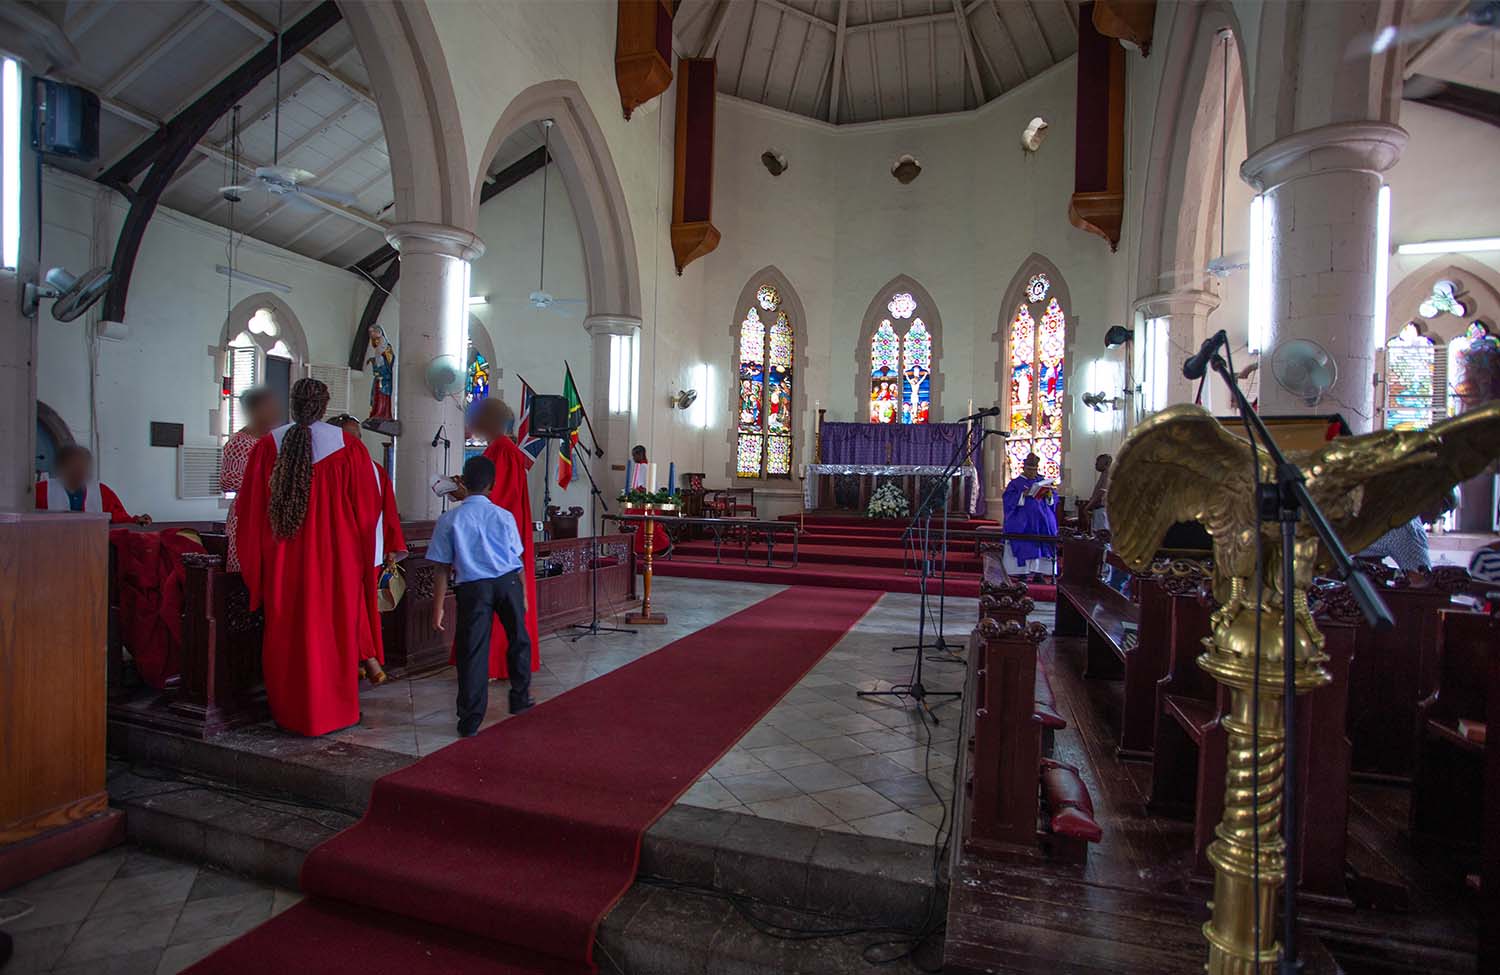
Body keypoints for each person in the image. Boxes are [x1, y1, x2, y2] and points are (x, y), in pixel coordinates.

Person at [235, 379, 380, 736]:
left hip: (285, 562)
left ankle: (292, 713)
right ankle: (335, 711)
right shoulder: (348, 448)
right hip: (337, 564)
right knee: (333, 636)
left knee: (289, 637)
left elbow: (249, 514)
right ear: (324, 405)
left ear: (293, 403)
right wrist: (366, 562)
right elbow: (367, 512)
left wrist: (257, 568)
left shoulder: (269, 445)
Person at [428, 455, 533, 735]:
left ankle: (470, 719)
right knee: (519, 639)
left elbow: (441, 568)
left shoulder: (449, 519)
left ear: (463, 481)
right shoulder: (504, 516)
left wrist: (437, 607)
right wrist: (522, 594)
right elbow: (516, 558)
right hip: (508, 583)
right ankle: (521, 698)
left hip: (473, 589)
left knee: (473, 652)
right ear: (493, 485)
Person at [470, 398, 541, 679]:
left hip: (497, 539)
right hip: (495, 532)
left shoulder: (502, 449)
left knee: (496, 599)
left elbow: (499, 497)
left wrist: (467, 495)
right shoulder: (498, 448)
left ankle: (495, 664)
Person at [330, 414, 404, 686]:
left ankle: (364, 660)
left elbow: (389, 510)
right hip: (339, 552)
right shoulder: (330, 468)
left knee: (362, 607)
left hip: (369, 552)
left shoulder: (375, 470)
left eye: (359, 437)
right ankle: (365, 659)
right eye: (351, 438)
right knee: (350, 607)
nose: (357, 443)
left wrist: (392, 547)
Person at [222, 387, 283, 572]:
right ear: (255, 411)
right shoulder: (241, 442)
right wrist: (268, 482)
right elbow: (228, 481)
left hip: (270, 517)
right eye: (269, 407)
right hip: (247, 517)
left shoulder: (274, 440)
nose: (275, 412)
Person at [36, 445, 151, 525]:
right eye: (74, 466)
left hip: (91, 550)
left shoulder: (102, 492)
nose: (79, 470)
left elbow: (120, 519)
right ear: (63, 467)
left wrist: (137, 521)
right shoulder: (42, 491)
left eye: (83, 466)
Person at [1357, 490, 1456, 584]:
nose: (1435, 521)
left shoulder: (1388, 504)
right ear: (1432, 498)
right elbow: (1422, 581)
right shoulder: (1409, 526)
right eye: (1442, 510)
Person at [1002, 453, 1058, 583]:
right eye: (1030, 470)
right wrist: (1022, 495)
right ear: (1024, 468)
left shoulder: (1042, 481)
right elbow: (1008, 500)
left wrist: (1049, 495)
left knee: (1041, 545)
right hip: (1022, 523)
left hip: (1042, 521)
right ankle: (1022, 573)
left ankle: (1040, 573)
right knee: (1025, 544)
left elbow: (1053, 499)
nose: (1033, 472)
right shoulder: (1015, 484)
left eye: (1034, 470)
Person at [1081, 453, 1112, 535]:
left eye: (1098, 461)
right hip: (1098, 509)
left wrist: (1087, 507)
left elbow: (1102, 492)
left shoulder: (1108, 474)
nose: (1096, 464)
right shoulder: (1104, 474)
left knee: (1101, 538)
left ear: (1106, 463)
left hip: (1101, 511)